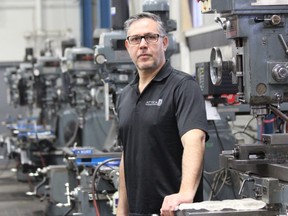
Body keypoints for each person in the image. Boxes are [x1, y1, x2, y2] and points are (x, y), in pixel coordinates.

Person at [116, 12, 209, 216]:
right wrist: (122, 209)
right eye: (135, 39)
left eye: (151, 37)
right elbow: (127, 154)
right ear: (128, 46)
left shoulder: (183, 87)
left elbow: (195, 140)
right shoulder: (124, 96)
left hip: (172, 210)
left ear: (164, 42)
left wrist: (185, 194)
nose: (143, 44)